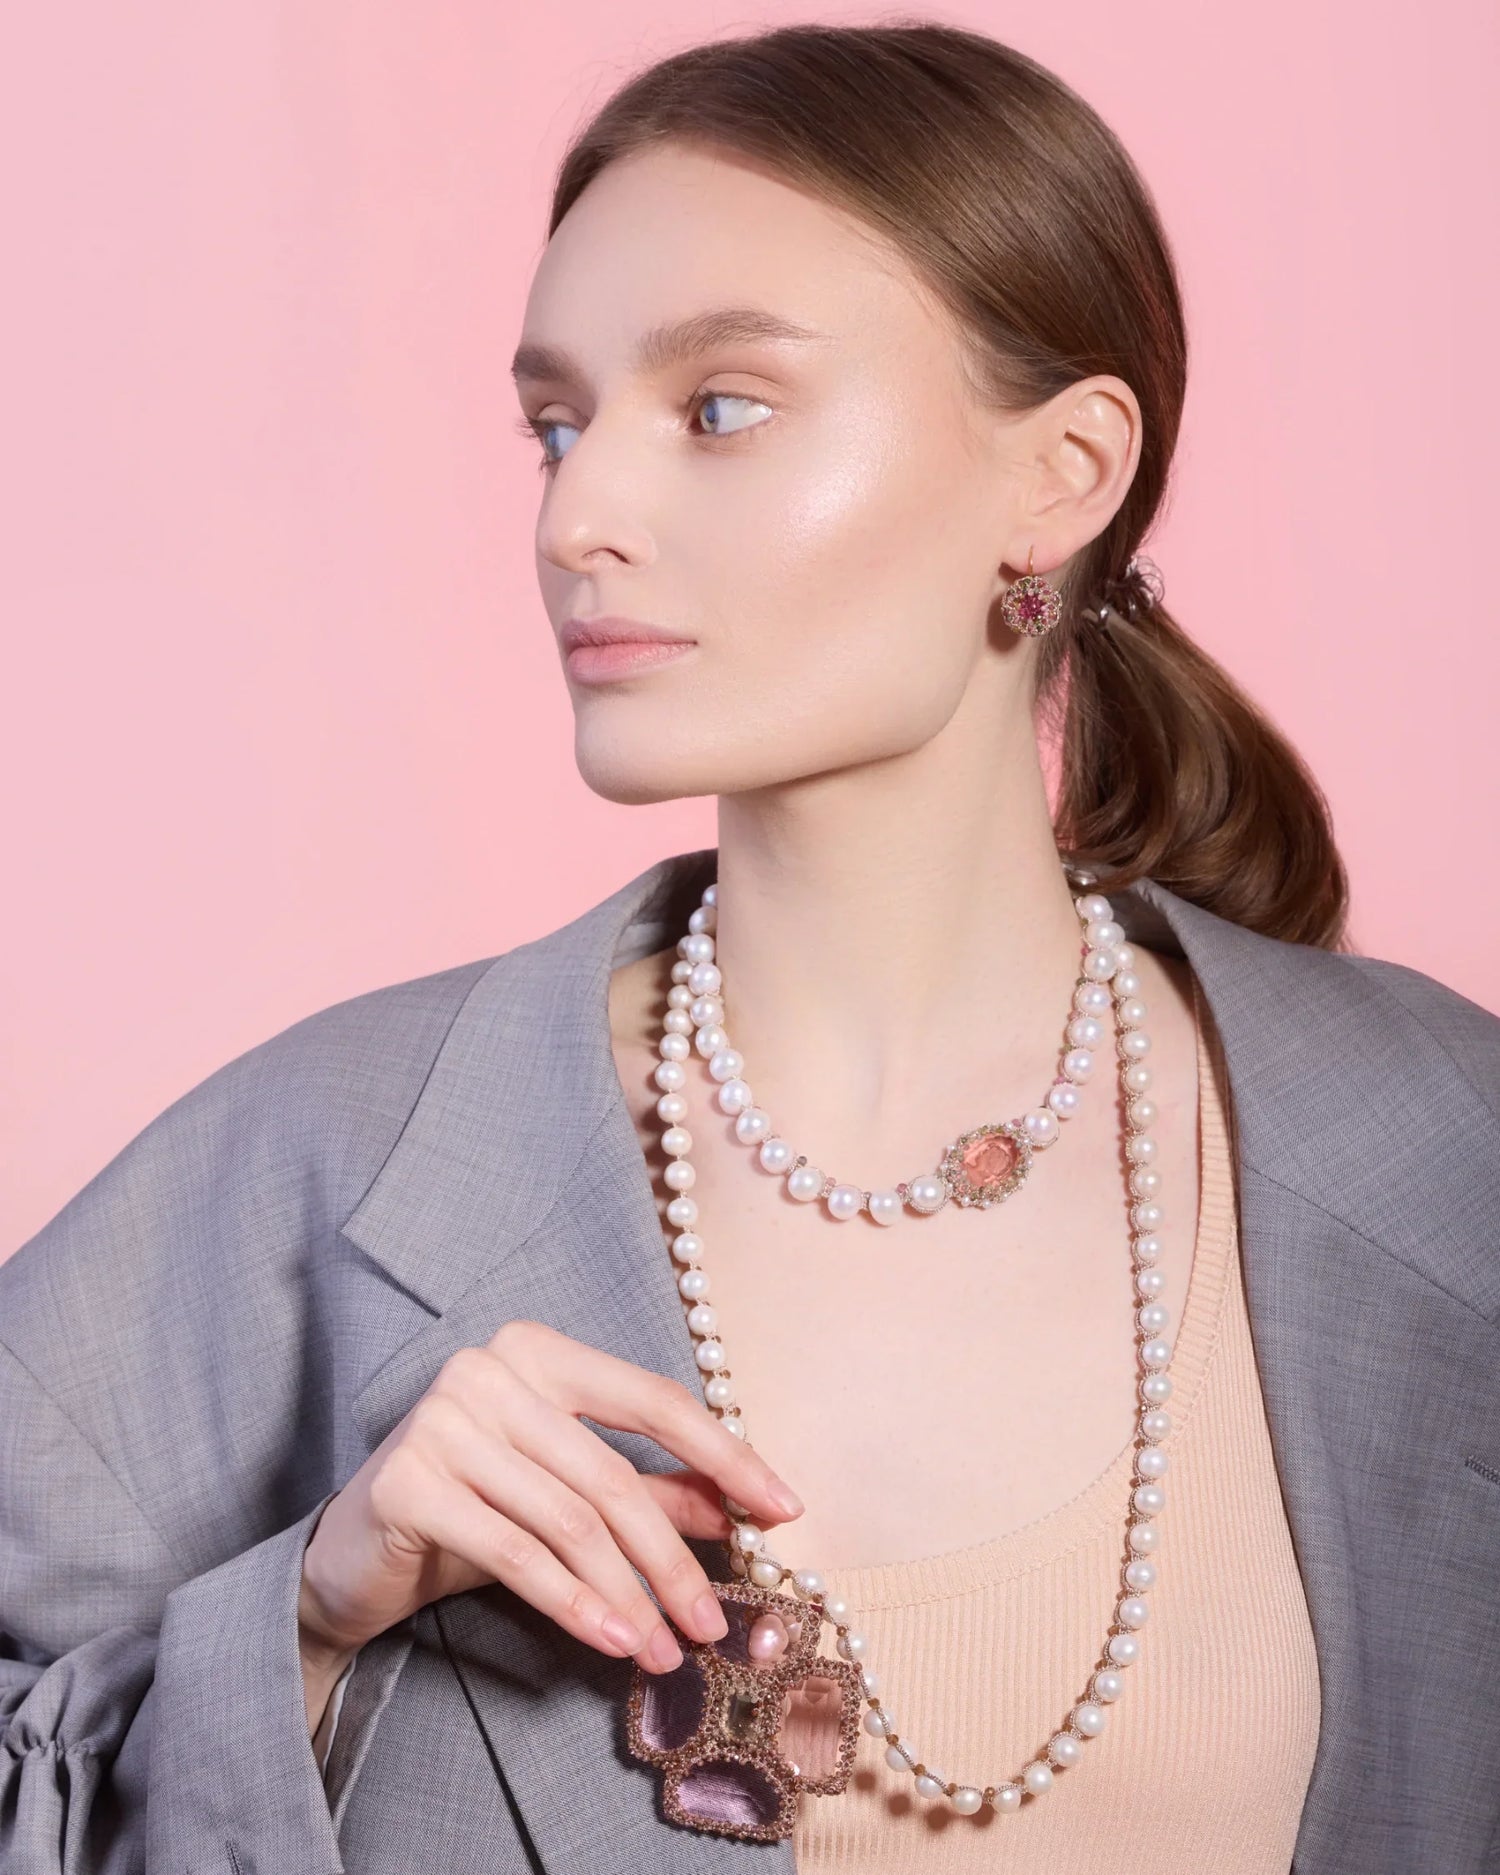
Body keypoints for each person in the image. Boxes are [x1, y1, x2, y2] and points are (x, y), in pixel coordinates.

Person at [3, 19, 1497, 1875]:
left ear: (1063, 472)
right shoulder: (314, 1171)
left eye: (718, 409)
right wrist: (302, 1620)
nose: (577, 516)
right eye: (557, 424)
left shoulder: (1451, 1158)